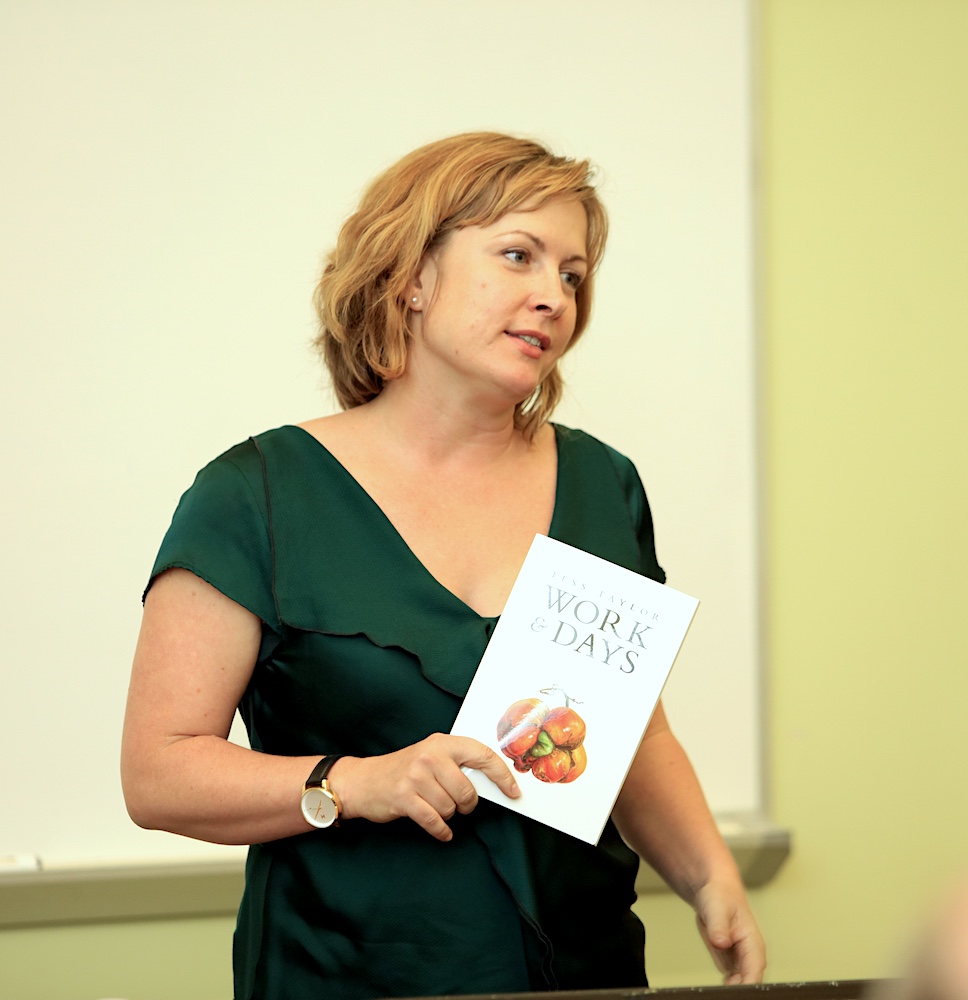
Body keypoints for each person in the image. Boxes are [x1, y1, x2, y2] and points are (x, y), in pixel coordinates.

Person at [121, 131, 765, 999]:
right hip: (343, 976)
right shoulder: (257, 496)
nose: (553, 296)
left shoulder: (603, 484)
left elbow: (632, 732)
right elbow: (159, 771)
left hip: (583, 972)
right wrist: (350, 783)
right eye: (518, 255)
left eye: (572, 275)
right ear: (410, 278)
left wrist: (709, 876)